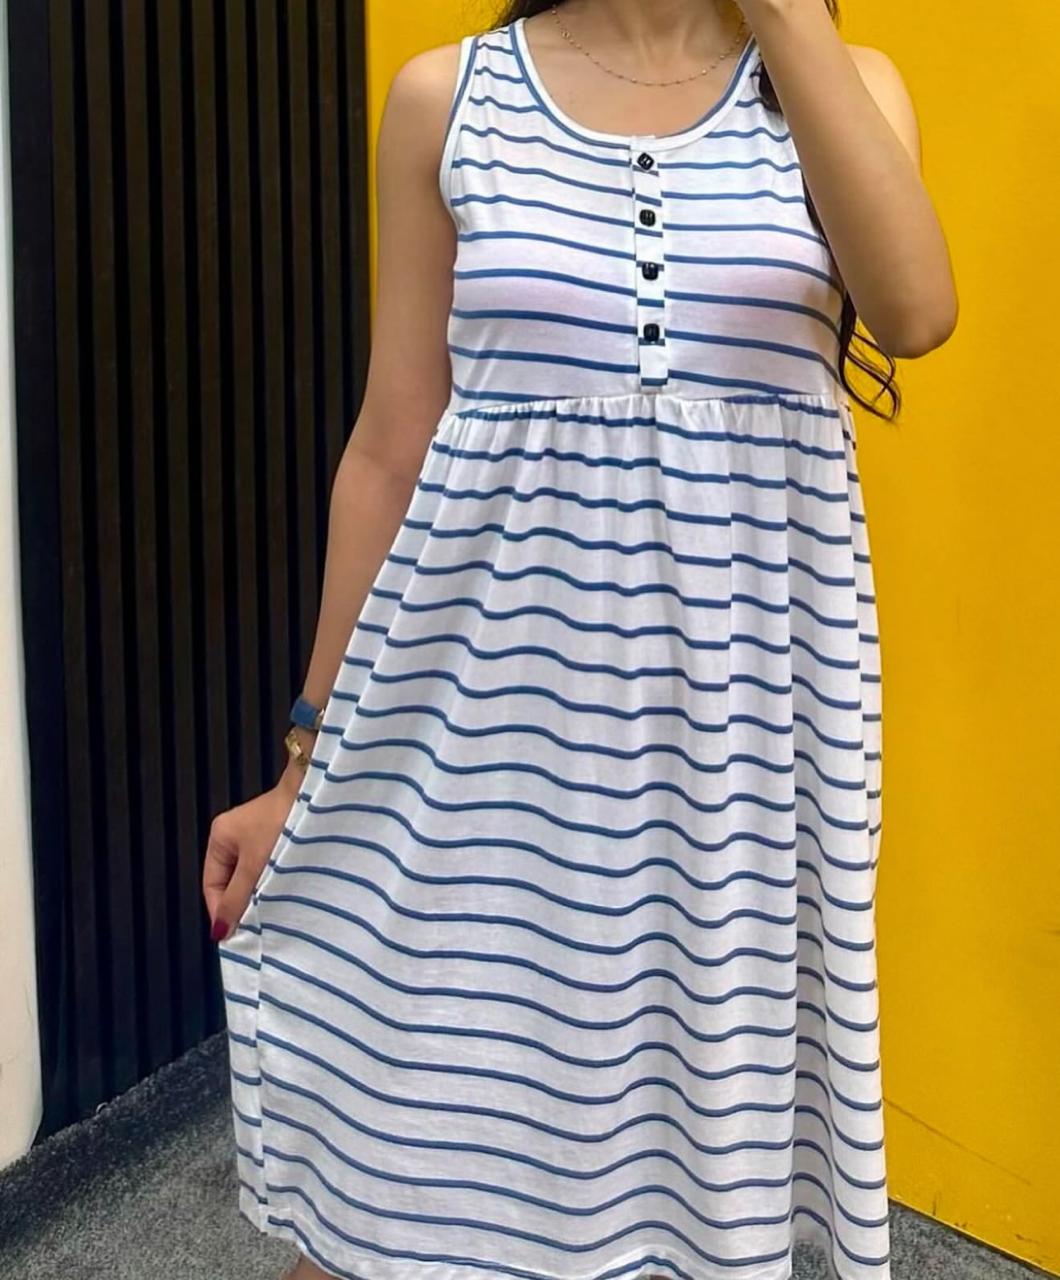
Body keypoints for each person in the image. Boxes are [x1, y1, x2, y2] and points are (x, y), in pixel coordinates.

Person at [203, 2, 957, 1278]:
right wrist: (301, 762)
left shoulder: (841, 84)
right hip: (485, 739)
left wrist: (784, 15)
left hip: (732, 763)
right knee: (410, 1150)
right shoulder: (447, 99)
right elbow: (388, 447)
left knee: (682, 1158)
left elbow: (917, 308)